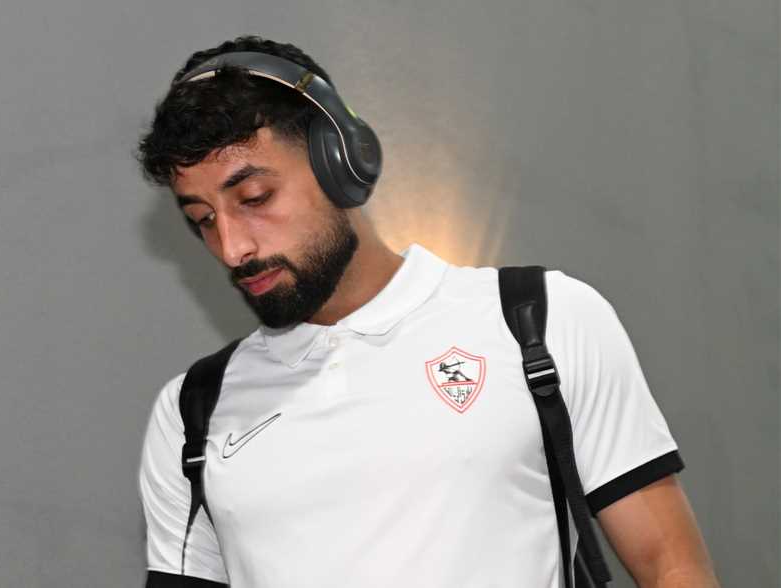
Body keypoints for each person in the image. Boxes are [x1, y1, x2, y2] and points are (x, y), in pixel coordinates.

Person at [134, 35, 720, 588]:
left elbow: (670, 568)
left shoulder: (537, 321)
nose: (232, 247)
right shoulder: (191, 414)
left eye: (254, 198)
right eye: (202, 219)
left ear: (342, 161)